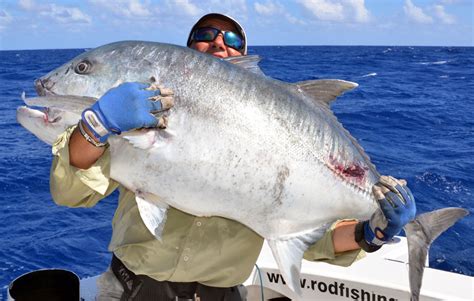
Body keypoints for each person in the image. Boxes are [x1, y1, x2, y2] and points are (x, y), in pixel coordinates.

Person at [50, 13, 415, 300]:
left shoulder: (267, 128)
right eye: (205, 36)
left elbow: (316, 238)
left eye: (232, 39)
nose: (218, 43)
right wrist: (96, 126)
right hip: (133, 290)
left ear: (244, 55)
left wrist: (374, 232)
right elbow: (72, 193)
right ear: (186, 51)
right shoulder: (126, 119)